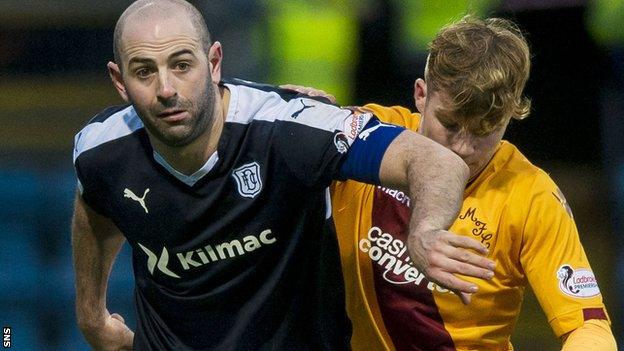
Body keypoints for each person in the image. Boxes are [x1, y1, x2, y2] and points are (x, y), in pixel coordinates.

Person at [70, 1, 497, 349]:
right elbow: (96, 207)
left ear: (214, 62)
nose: (166, 89)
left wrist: (424, 231)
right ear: (119, 80)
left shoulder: (289, 131)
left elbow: (433, 161)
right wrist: (92, 315)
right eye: (144, 71)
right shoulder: (101, 150)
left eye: (182, 65)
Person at [285, 15, 617, 351]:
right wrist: (292, 119)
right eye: (450, 123)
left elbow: (587, 326)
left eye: (485, 131)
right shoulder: (369, 136)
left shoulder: (532, 197)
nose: (463, 148)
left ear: (511, 115)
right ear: (421, 94)